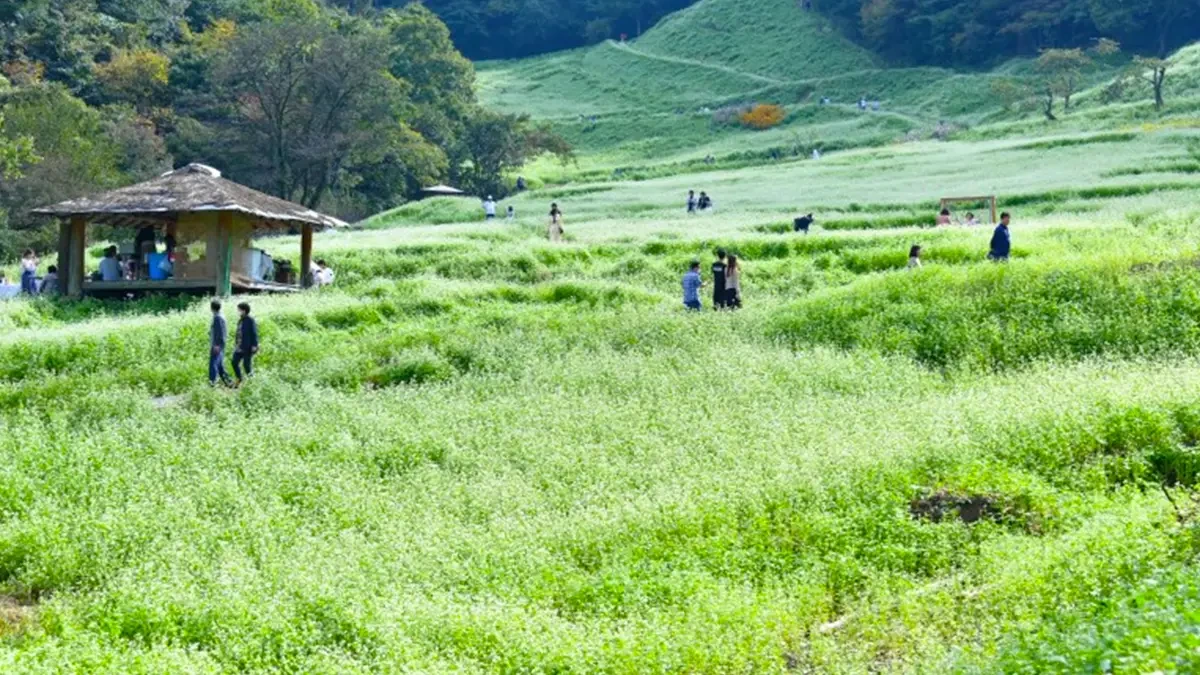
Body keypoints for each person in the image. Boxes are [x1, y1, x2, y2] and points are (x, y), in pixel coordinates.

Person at [232, 301, 258, 385]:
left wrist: (254, 345)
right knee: (234, 362)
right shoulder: (240, 320)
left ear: (244, 310)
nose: (238, 311)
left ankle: (252, 382)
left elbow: (254, 333)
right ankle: (239, 379)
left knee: (247, 366)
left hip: (247, 347)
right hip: (239, 346)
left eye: (239, 309)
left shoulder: (250, 320)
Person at [209, 300, 233, 386]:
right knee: (219, 365)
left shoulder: (217, 318)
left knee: (213, 364)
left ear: (211, 308)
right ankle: (229, 382)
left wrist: (216, 345)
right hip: (220, 344)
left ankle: (213, 383)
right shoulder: (220, 316)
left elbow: (219, 333)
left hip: (217, 345)